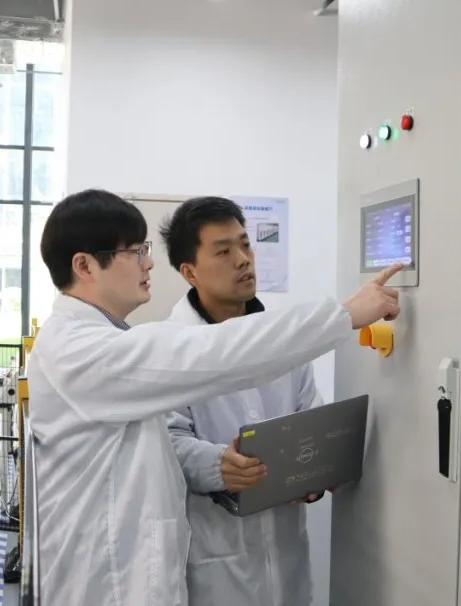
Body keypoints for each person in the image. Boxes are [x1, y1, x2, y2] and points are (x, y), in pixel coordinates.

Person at [26, 188, 402, 606]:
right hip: (108, 583)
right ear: (84, 265)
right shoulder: (80, 352)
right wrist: (343, 316)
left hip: (145, 572)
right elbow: (214, 354)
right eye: (135, 252)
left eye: (245, 245)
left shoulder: (104, 343)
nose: (148, 263)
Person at [158, 196, 328, 605]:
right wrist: (219, 464)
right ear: (189, 271)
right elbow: (167, 444)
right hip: (215, 558)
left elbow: (312, 415)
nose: (243, 260)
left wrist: (316, 472)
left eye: (245, 245)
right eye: (223, 251)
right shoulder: (170, 349)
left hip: (285, 551)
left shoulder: (282, 337)